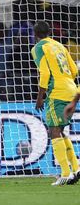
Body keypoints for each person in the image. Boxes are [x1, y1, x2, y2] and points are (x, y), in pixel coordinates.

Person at [31, 21, 79, 186]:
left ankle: (65, 173)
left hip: (57, 92)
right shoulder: (59, 45)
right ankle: (76, 168)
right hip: (71, 89)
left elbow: (44, 72)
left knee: (54, 131)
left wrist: (40, 97)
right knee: (60, 130)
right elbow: (74, 70)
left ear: (35, 34)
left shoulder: (38, 48)